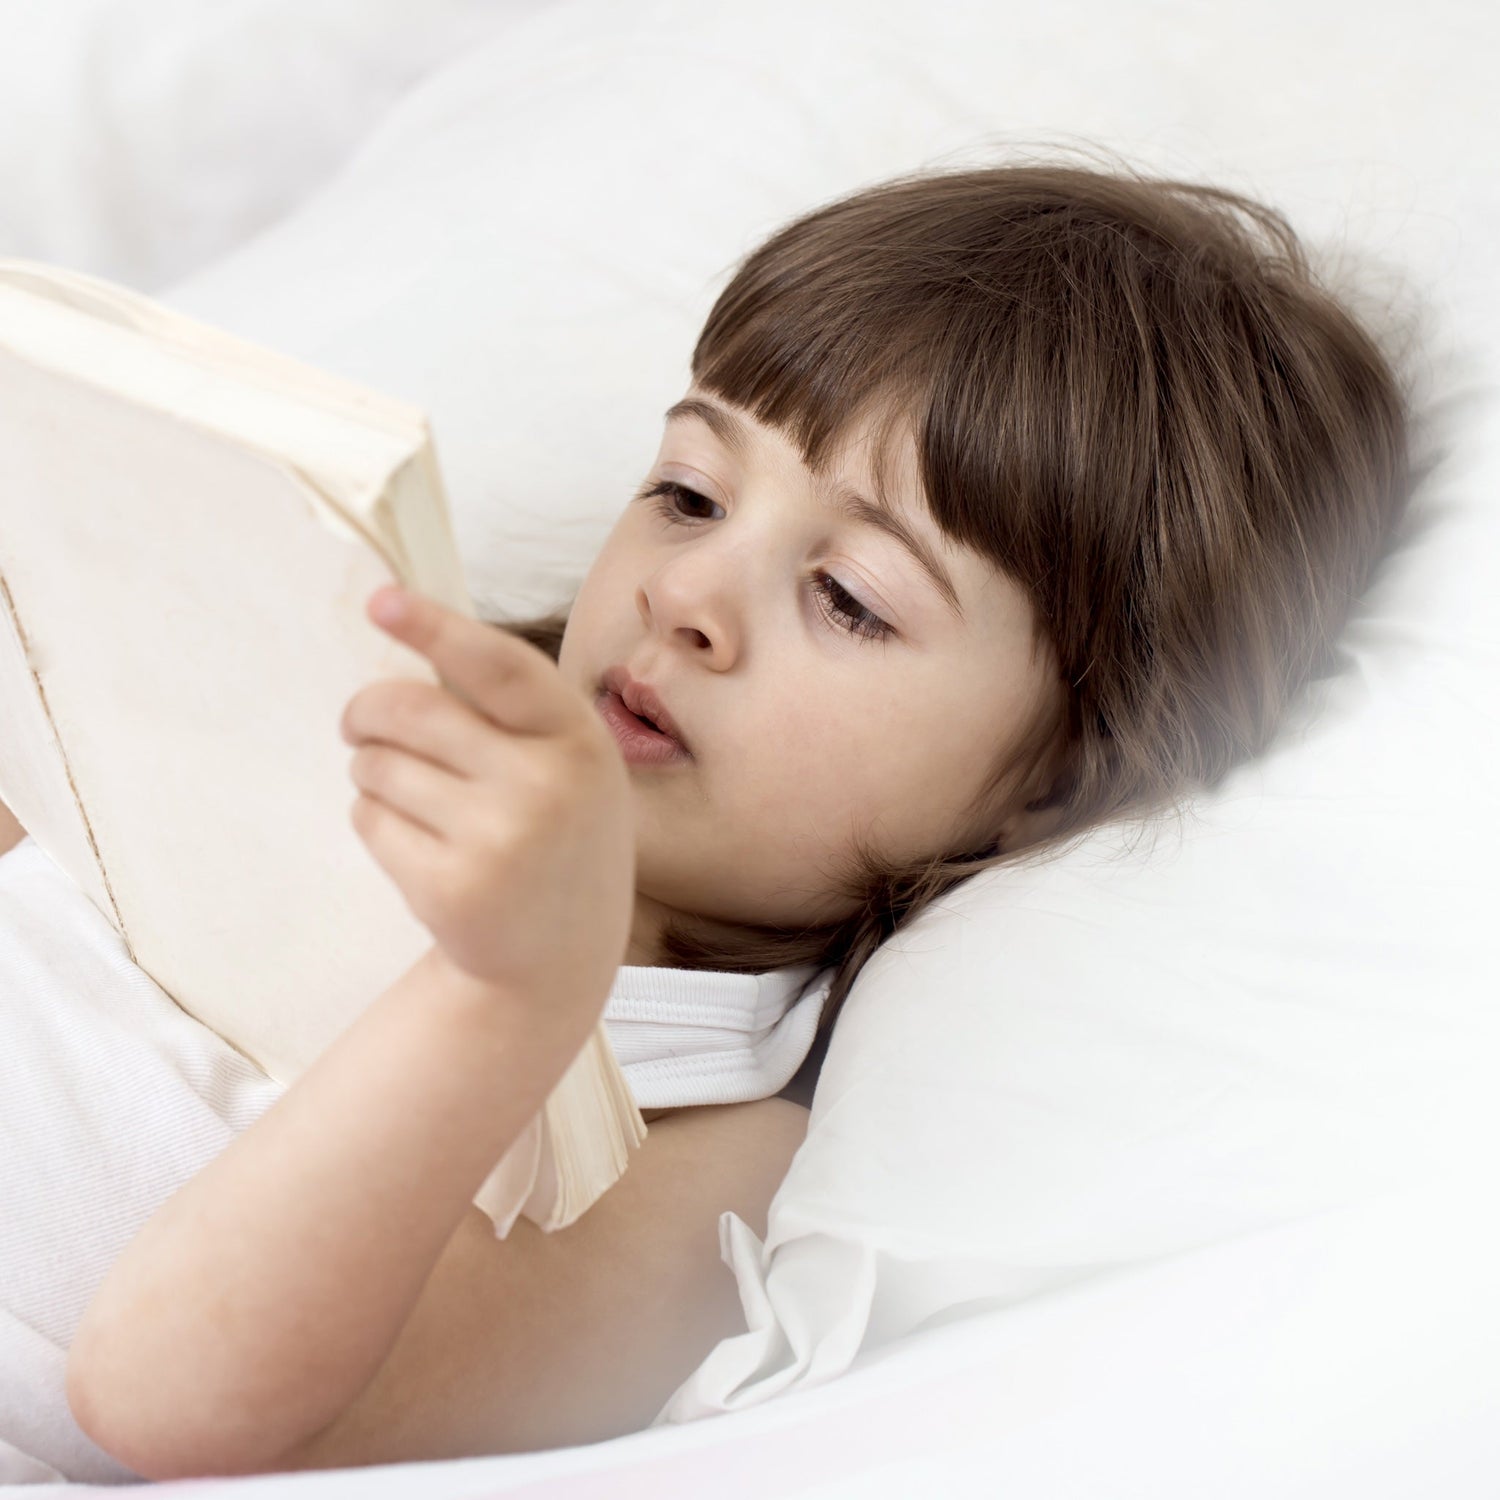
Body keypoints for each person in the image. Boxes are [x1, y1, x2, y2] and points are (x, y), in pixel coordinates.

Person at [62, 159, 1411, 1478]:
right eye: (689, 495)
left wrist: (510, 989)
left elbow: (162, 1402)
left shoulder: (719, 1150)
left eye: (851, 597)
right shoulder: (334, 700)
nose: (685, 596)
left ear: (1052, 779)